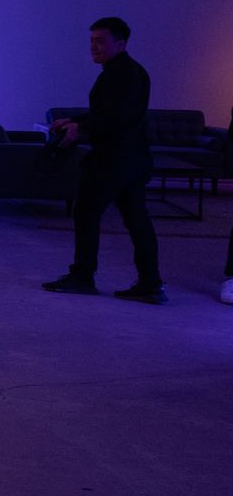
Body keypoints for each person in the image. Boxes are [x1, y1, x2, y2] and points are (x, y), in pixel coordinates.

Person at [44, 17, 165, 304]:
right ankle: (150, 283)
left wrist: (82, 129)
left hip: (112, 160)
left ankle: (83, 276)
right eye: (91, 41)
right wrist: (75, 120)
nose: (93, 47)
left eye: (100, 41)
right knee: (137, 220)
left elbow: (116, 118)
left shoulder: (119, 74)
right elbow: (111, 113)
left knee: (86, 214)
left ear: (120, 43)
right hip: (131, 160)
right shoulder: (128, 71)